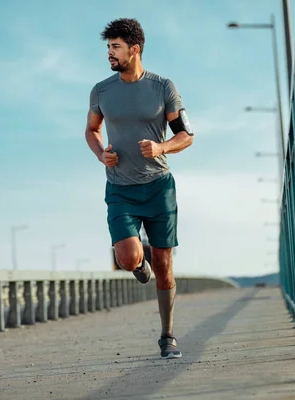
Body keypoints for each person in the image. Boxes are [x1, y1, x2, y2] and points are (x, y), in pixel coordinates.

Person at [84, 18, 194, 359]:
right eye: (108, 47)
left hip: (159, 187)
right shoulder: (101, 90)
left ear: (135, 49)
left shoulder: (163, 88)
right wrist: (102, 153)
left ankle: (168, 335)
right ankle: (137, 266)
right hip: (120, 188)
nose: (109, 54)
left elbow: (186, 136)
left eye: (115, 47)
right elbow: (91, 130)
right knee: (130, 256)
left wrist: (161, 147)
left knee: (163, 262)